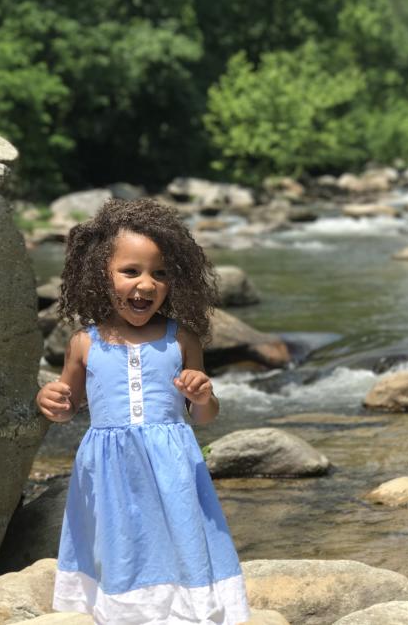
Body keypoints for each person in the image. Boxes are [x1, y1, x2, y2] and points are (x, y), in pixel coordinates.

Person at [35, 198, 250, 624]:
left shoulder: (181, 339)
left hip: (172, 463)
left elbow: (204, 416)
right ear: (101, 275)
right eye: (131, 271)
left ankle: (186, 609)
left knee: (180, 533)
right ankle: (122, 611)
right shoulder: (84, 343)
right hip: (109, 468)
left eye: (160, 274)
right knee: (119, 541)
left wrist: (204, 396)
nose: (146, 285)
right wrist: (51, 403)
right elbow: (68, 406)